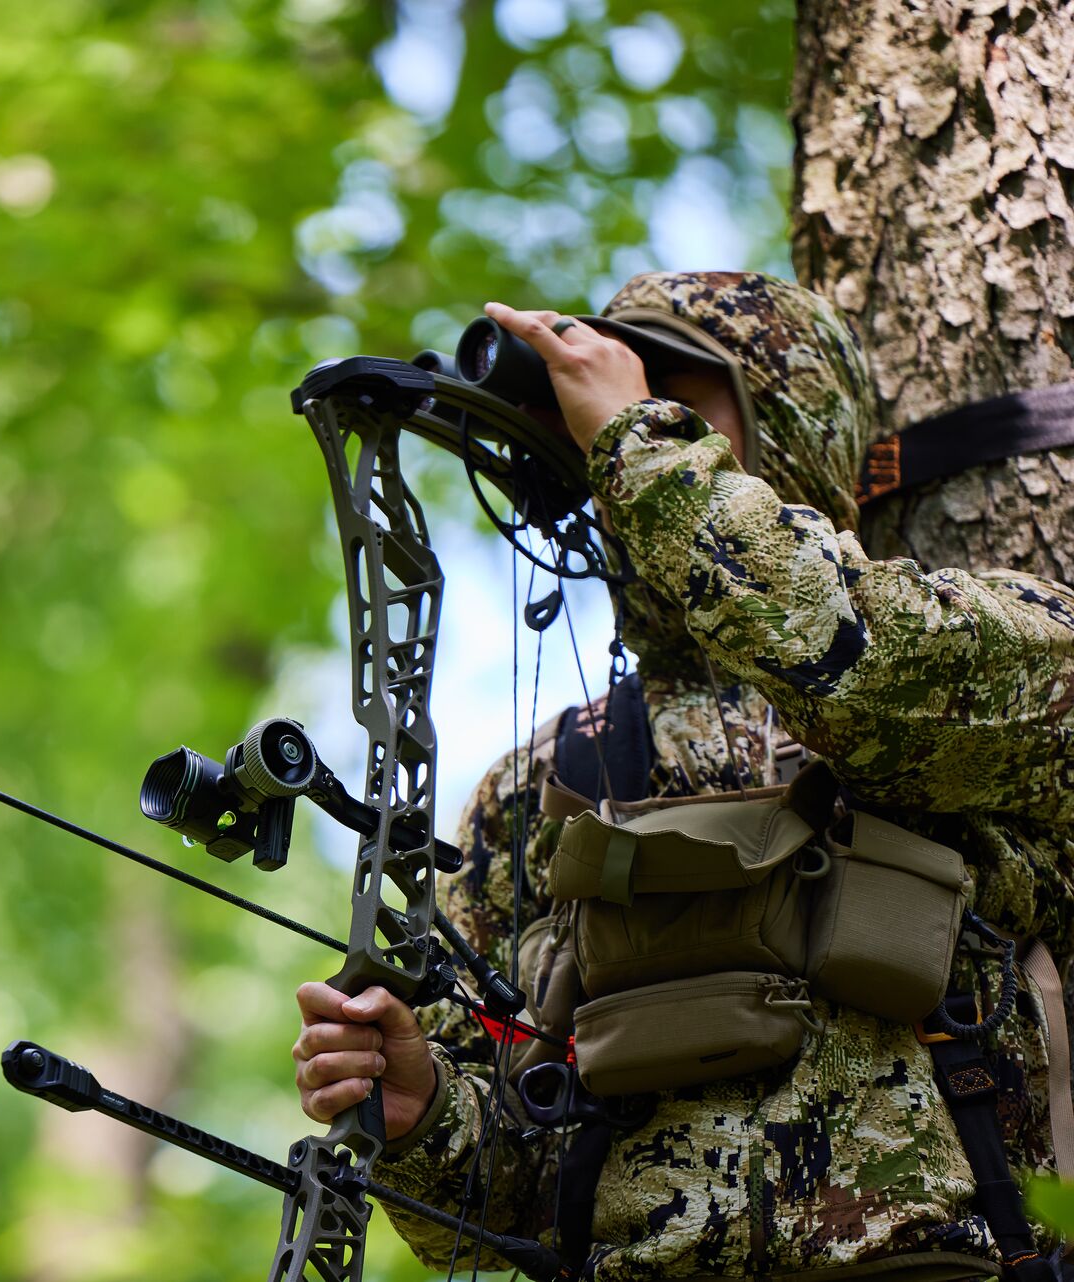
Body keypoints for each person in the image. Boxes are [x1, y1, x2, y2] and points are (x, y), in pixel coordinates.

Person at [291, 272, 1074, 1280]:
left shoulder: (990, 649)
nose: (612, 430)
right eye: (611, 403)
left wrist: (638, 439)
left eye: (676, 398)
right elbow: (497, 1200)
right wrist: (421, 1112)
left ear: (789, 426)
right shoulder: (546, 782)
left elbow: (841, 661)